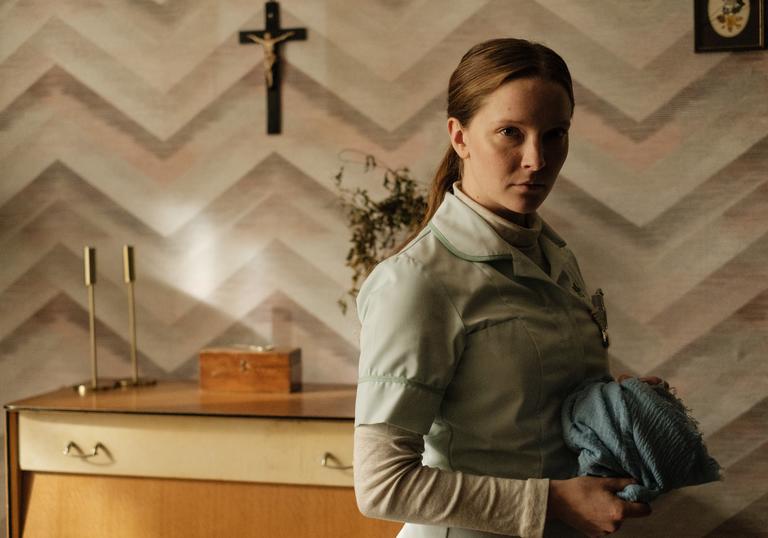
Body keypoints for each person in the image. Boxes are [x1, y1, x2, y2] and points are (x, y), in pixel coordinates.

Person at [353, 38, 661, 537]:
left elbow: (527, 405)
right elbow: (382, 486)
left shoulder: (554, 255)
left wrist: (613, 402)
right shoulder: (416, 281)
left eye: (555, 134)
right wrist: (554, 503)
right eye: (510, 133)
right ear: (459, 137)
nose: (537, 159)